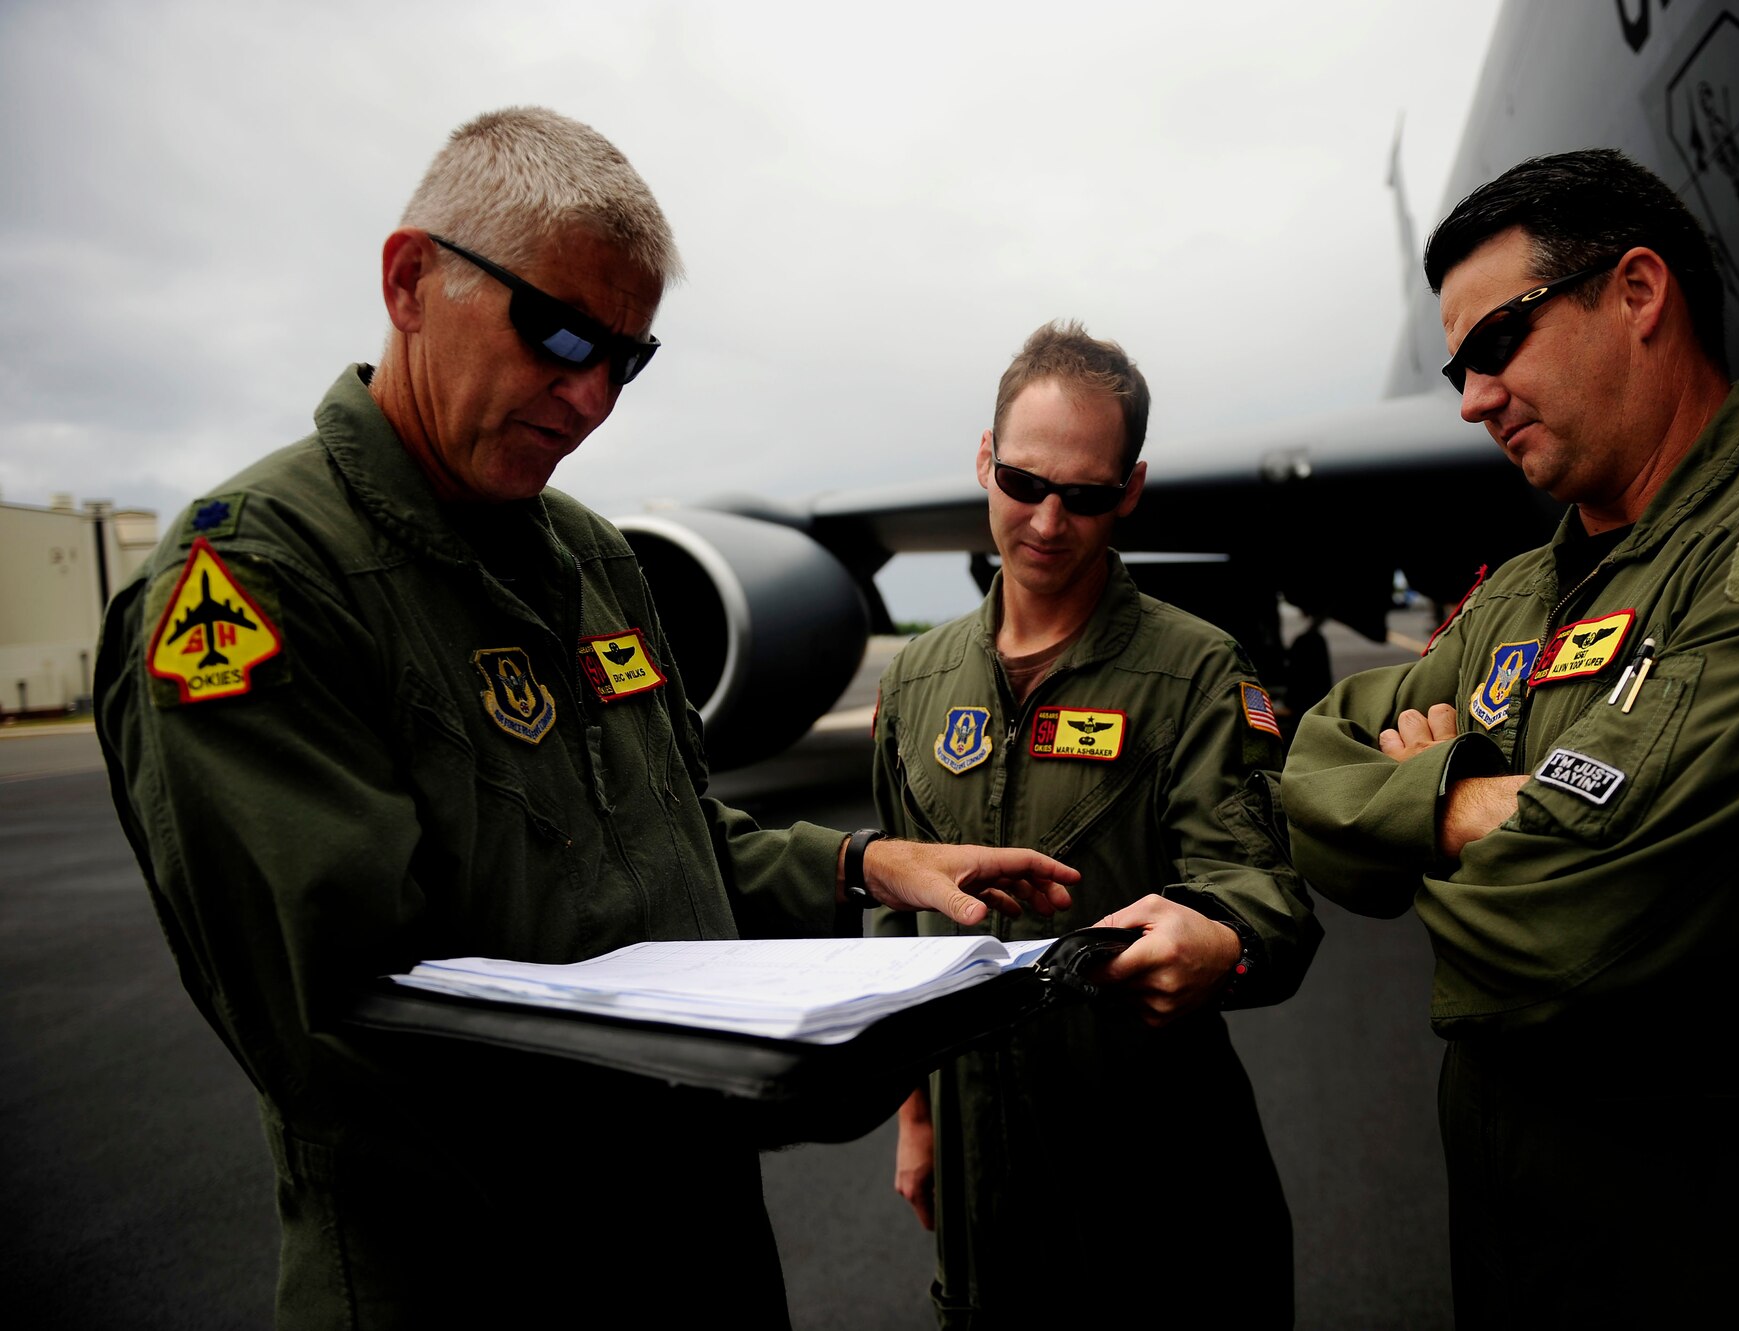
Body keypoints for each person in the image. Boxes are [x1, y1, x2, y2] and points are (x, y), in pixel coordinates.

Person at [93, 107, 1079, 1328]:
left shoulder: (589, 557)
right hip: (474, 1280)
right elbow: (342, 1029)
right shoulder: (251, 584)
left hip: (697, 1253)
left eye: (627, 356)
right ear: (410, 280)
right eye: (557, 332)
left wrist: (868, 862)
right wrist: (746, 1081)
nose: (590, 394)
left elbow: (670, 843)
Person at [1282, 148, 1739, 1326]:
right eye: (1455, 365)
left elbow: (1579, 919)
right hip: (1515, 1253)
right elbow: (1313, 765)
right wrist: (1478, 807)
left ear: (1636, 292)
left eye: (1494, 344)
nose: (1467, 398)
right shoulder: (1516, 593)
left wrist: (1429, 796)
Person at [870, 321, 1321, 1327]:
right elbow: (893, 927)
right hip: (983, 1201)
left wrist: (1223, 941)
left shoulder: (1199, 673)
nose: (1045, 520)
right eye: (1023, 481)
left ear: (1129, 488)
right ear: (984, 458)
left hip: (1158, 1198)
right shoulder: (915, 682)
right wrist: (913, 1117)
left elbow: (1269, 904)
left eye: (1082, 494)